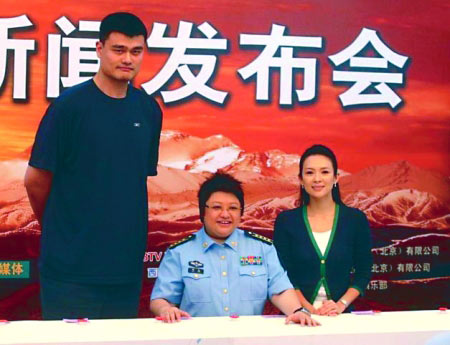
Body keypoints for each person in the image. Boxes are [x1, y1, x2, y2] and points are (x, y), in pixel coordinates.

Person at [24, 12, 162, 319]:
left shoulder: (148, 110)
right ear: (100, 49)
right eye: (119, 50)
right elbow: (35, 180)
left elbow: (135, 180)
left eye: (136, 51)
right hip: (70, 273)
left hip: (124, 272)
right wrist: (61, 231)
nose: (128, 59)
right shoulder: (69, 106)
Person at [150, 173, 319, 326]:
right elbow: (162, 299)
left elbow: (280, 290)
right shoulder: (180, 252)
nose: (225, 214)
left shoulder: (262, 248)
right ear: (203, 211)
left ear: (241, 213)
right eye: (217, 207)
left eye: (232, 208)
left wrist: (297, 311)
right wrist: (166, 310)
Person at [273, 144, 372, 316]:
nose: (317, 179)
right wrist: (306, 308)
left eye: (325, 172)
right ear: (301, 179)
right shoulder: (286, 221)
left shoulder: (355, 220)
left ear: (336, 177)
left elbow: (363, 272)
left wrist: (341, 305)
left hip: (341, 316)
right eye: (310, 173)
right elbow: (283, 274)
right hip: (297, 315)